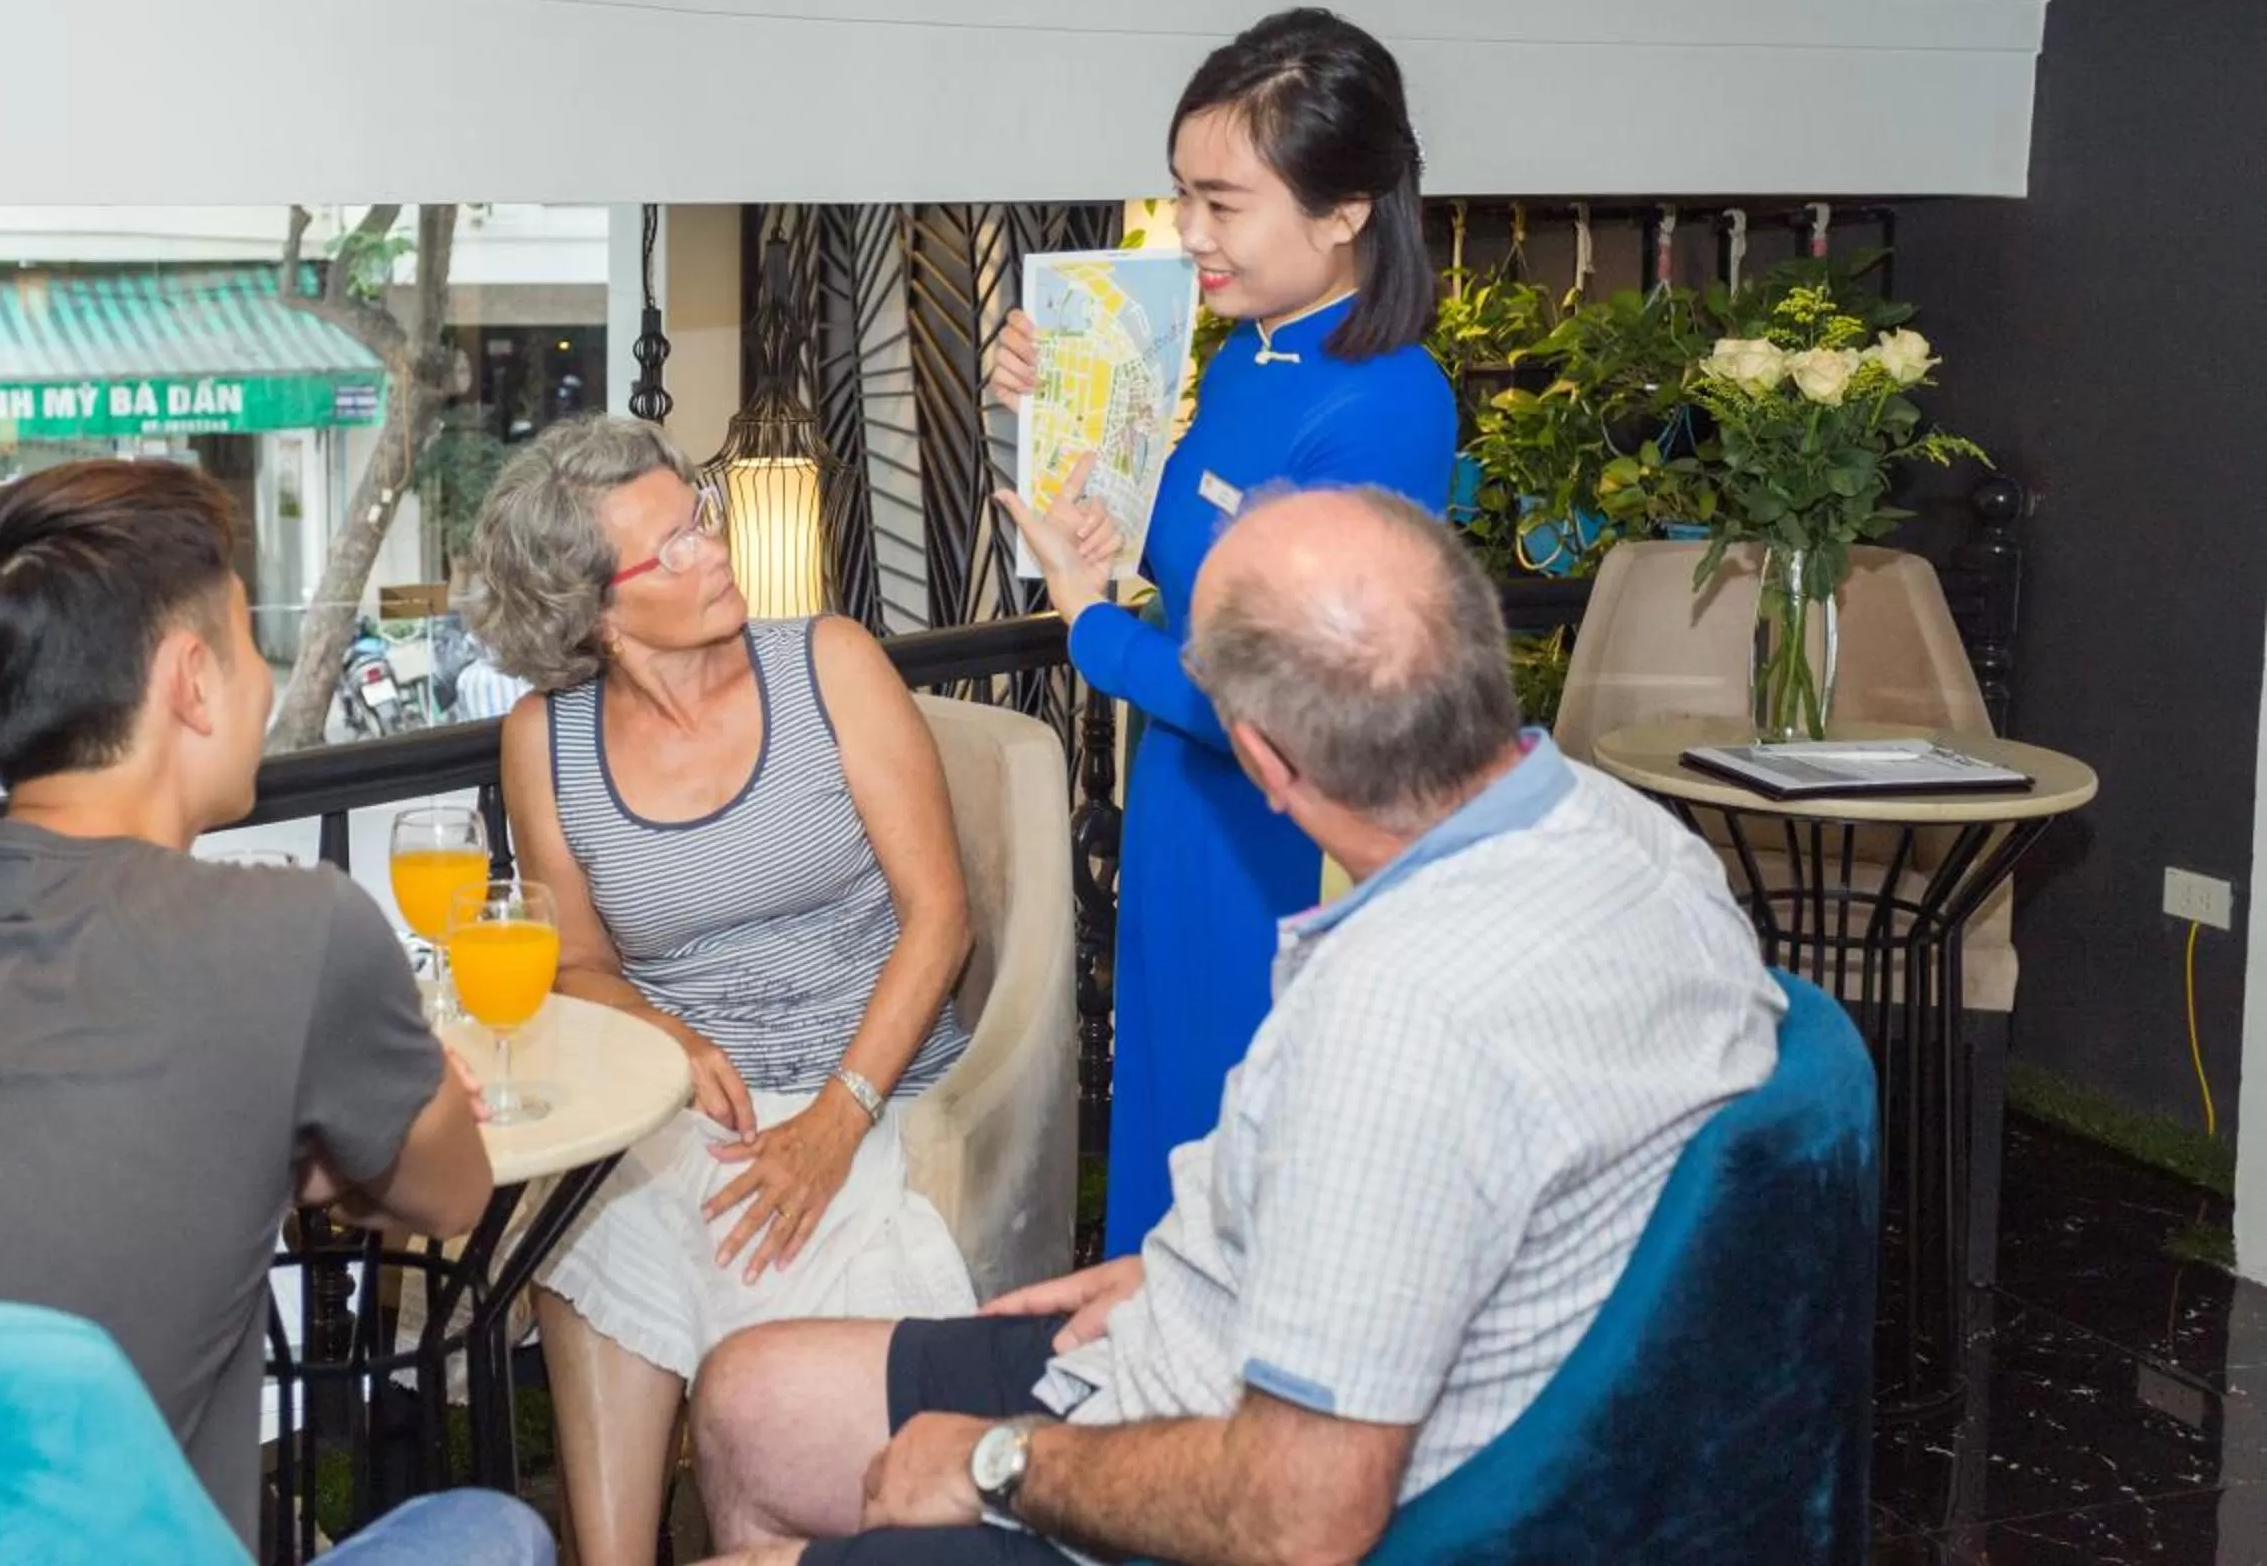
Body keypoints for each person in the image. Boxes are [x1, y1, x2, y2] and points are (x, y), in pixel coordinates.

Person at [688, 486, 1785, 1566]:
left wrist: (993, 1463)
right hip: (1215, 1353)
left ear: (1262, 760)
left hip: (1228, 1486)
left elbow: (1298, 1517)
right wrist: (1203, 1262)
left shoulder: (1396, 1013)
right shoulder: (1636, 836)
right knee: (746, 1393)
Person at [0, 460, 527, 1562]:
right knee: (495, 1529)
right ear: (191, 679)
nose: (260, 683)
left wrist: (251, 1134)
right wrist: (302, 1146)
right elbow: (449, 1190)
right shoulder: (301, 933)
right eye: (249, 644)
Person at [463, 418, 978, 1566]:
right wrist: (663, 1029)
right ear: (591, 609)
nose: (713, 548)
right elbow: (583, 960)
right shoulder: (543, 740)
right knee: (597, 1215)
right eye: (672, 546)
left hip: (870, 1077)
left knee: (770, 1276)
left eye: (699, 515)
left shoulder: (827, 661)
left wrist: (838, 1117)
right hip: (690, 1093)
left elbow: (942, 914)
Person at [991, 7, 1458, 1253]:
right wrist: (1055, 417)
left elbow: (1296, 710)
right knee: (1167, 1144)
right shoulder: (1251, 357)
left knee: (1250, 1184)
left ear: (1346, 206)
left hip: (1283, 851)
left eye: (1221, 203)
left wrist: (1091, 631)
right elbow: (1182, 554)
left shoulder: (1389, 406)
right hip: (1186, 819)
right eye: (1182, 197)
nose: (1188, 234)